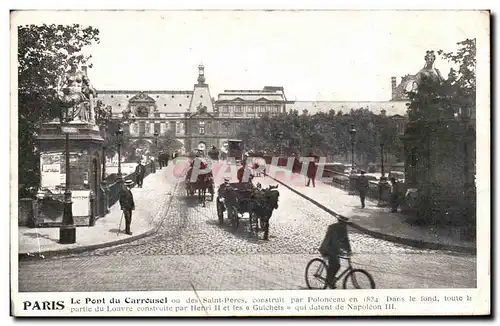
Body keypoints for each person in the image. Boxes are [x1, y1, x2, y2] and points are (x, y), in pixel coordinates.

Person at [319, 219, 352, 288]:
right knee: (335, 265)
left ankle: (330, 279)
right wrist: (340, 251)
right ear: (339, 221)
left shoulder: (344, 229)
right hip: (327, 248)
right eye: (343, 223)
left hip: (334, 250)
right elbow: (332, 240)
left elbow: (346, 240)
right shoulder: (332, 227)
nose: (344, 225)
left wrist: (349, 250)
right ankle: (329, 281)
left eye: (345, 223)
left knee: (336, 265)